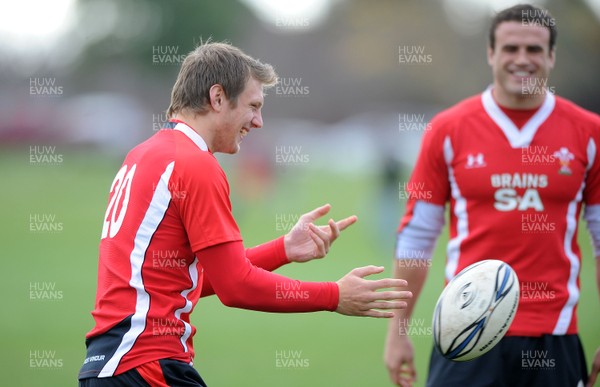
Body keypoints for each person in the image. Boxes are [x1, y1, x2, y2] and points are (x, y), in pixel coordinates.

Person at [78, 41, 412, 386]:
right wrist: (335, 295)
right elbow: (236, 287)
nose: (259, 121)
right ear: (218, 97)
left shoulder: (144, 155)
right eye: (254, 106)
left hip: (109, 366)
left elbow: (189, 280)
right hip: (146, 365)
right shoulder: (195, 165)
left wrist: (283, 250)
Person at [384, 4, 600, 387]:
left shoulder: (589, 132)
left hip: (554, 336)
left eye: (534, 50)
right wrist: (397, 329)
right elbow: (417, 236)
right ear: (490, 53)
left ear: (551, 56)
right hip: (465, 332)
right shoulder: (447, 130)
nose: (522, 60)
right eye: (510, 48)